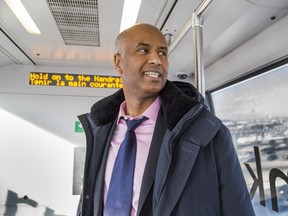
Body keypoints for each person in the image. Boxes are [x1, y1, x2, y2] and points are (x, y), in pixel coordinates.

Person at [76, 23, 255, 216]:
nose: (156, 59)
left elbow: (238, 209)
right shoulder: (99, 128)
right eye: (143, 50)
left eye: (162, 53)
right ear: (118, 62)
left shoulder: (208, 132)